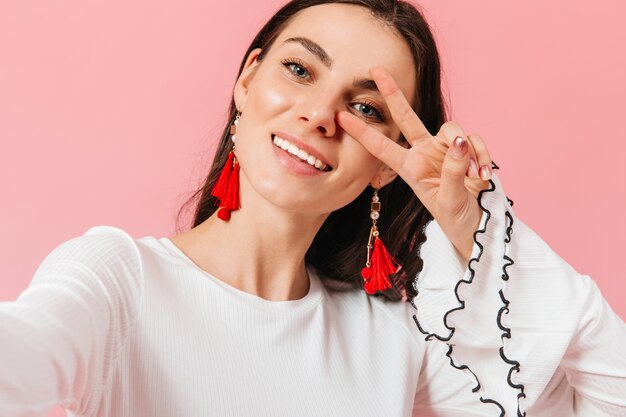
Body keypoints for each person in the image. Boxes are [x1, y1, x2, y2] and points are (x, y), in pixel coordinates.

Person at [1, 0, 625, 416]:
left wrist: (475, 226)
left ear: (386, 163)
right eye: (300, 69)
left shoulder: (392, 340)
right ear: (247, 81)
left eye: (365, 108)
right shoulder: (118, 279)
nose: (319, 115)